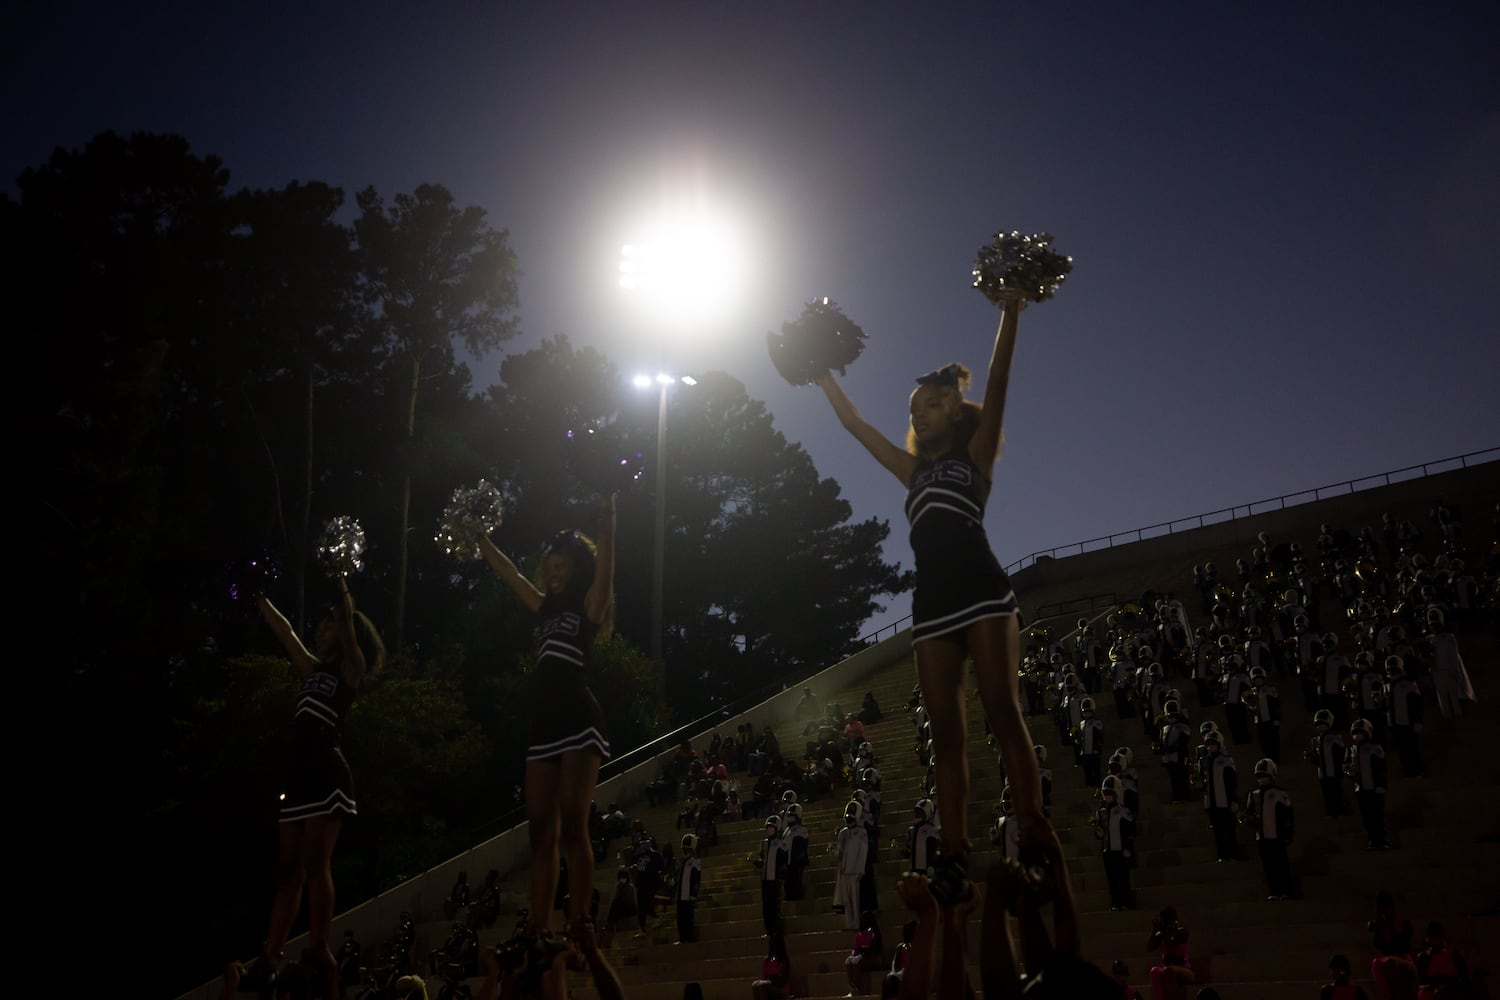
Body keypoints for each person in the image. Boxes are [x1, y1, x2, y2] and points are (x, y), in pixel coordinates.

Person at [816, 293, 1049, 902]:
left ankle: (1033, 834)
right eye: (916, 405)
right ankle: (953, 854)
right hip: (933, 605)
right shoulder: (911, 472)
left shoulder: (975, 461)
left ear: (958, 412)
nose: (922, 411)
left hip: (982, 589)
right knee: (945, 733)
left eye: (936, 402)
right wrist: (818, 369)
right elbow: (853, 425)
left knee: (1002, 709)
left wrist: (1012, 311)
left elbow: (997, 383)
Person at [477, 496, 616, 982]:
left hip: (578, 718)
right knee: (540, 832)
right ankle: (538, 926)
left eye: (561, 567)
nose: (553, 574)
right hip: (544, 726)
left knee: (575, 822)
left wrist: (608, 530)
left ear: (576, 569)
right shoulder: (542, 607)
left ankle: (579, 920)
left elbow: (605, 580)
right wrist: (481, 540)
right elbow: (513, 576)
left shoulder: (587, 608)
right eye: (549, 567)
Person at [238, 575, 383, 997]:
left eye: (329, 623)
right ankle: (271, 956)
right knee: (288, 872)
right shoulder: (313, 669)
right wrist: (262, 603)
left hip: (326, 769)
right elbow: (286, 634)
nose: (322, 629)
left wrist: (341, 591)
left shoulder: (351, 668)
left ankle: (319, 943)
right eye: (321, 624)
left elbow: (350, 627)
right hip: (297, 776)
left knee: (317, 863)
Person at [1368, 891, 1417, 1000]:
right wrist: (1378, 929)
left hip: (1404, 958)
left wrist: (1390, 927)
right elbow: (1378, 946)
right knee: (1377, 963)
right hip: (1388, 959)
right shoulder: (1380, 925)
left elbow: (1404, 946)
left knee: (1390, 963)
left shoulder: (1404, 924)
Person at [1146, 906, 1194, 1000]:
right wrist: (1154, 930)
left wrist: (1162, 931)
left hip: (1185, 970)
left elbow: (1172, 944)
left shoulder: (1182, 931)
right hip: (1168, 970)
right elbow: (1149, 948)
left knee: (1169, 971)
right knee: (1154, 971)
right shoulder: (1161, 934)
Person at [1414, 921, 1469, 999]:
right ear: (1427, 938)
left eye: (1436, 935)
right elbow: (1420, 982)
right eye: (1431, 935)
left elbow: (1465, 980)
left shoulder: (1454, 956)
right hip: (1430, 993)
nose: (1434, 939)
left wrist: (1448, 987)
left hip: (1451, 992)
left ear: (1442, 937)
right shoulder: (1423, 957)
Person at [844, 910, 885, 996]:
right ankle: (852, 987)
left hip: (874, 958)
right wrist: (853, 956)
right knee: (849, 962)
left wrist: (862, 955)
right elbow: (856, 948)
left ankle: (858, 988)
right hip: (863, 957)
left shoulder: (875, 934)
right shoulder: (859, 935)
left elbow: (875, 950)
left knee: (858, 963)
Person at [751, 932, 793, 1000]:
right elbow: (764, 976)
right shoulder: (767, 960)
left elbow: (783, 979)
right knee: (755, 985)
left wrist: (772, 978)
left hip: (780, 987)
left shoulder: (783, 959)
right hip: (769, 984)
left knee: (761, 986)